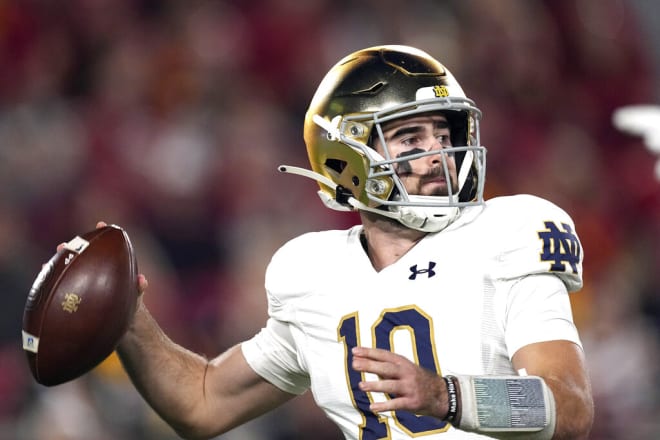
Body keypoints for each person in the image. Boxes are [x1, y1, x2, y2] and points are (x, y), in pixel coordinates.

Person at [108, 45, 594, 439]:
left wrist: (446, 395)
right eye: (409, 138)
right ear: (346, 159)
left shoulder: (506, 233)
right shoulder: (314, 274)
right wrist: (129, 321)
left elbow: (569, 407)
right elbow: (204, 403)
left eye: (443, 134)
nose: (439, 155)